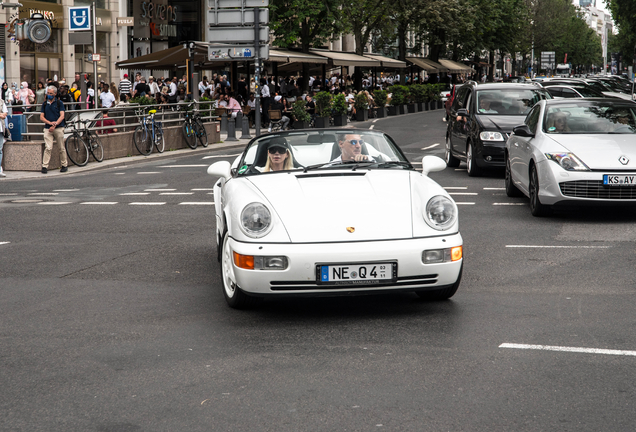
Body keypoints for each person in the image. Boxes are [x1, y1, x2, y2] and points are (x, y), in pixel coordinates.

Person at [39, 86, 68, 174]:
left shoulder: (59, 103)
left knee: (61, 147)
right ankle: (44, 166)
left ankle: (64, 165)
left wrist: (55, 124)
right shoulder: (44, 104)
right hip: (48, 128)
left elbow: (62, 116)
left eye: (51, 93)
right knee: (48, 148)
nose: (49, 95)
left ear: (55, 94)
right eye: (48, 93)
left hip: (58, 127)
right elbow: (41, 117)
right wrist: (49, 123)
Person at [0, 96, 8, 177]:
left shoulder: (1, 102)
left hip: (1, 129)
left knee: (0, 149)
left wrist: (2, 114)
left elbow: (5, 114)